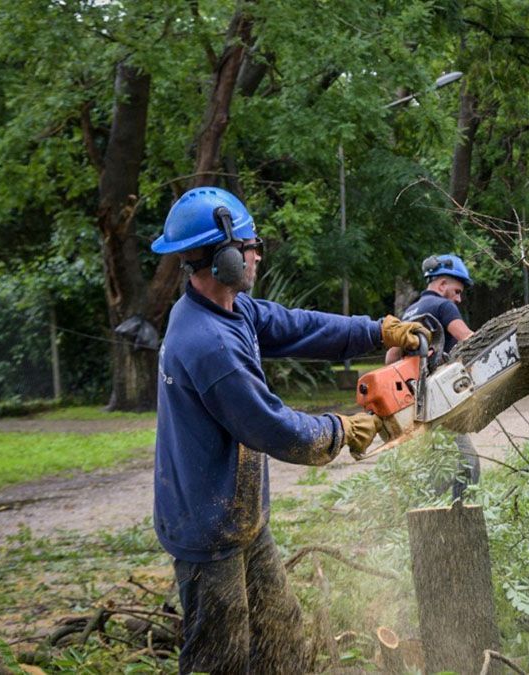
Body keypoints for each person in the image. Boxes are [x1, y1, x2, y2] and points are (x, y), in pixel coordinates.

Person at [149, 186, 429, 675]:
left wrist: (377, 331)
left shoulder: (230, 310)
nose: (257, 254)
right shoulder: (208, 343)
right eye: (250, 245)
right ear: (225, 258)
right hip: (207, 527)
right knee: (222, 655)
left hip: (238, 516)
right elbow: (273, 427)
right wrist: (341, 429)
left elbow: (298, 326)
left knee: (282, 636)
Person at [385, 254, 479, 494]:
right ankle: (459, 519)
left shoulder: (408, 312)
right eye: (456, 291)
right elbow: (468, 338)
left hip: (416, 402)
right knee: (468, 465)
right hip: (439, 399)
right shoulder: (442, 306)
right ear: (442, 285)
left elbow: (391, 359)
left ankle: (426, 511)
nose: (458, 299)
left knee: (438, 464)